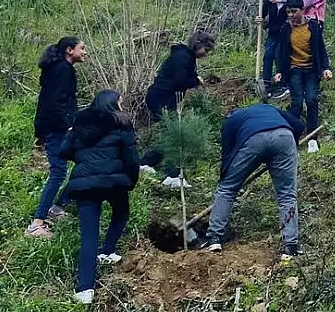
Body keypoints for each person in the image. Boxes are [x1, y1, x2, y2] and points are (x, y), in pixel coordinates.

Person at [58, 90, 140, 305]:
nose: (122, 106)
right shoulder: (122, 124)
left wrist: (71, 134)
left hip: (85, 186)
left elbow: (63, 152)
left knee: (88, 236)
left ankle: (85, 290)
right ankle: (108, 250)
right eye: (120, 103)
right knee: (121, 212)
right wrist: (130, 181)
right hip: (114, 182)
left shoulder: (80, 124)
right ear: (113, 105)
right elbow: (131, 159)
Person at [205, 103, 305, 260]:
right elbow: (298, 125)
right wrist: (288, 152)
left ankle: (214, 238)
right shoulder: (270, 108)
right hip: (285, 137)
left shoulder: (232, 121)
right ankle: (290, 246)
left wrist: (227, 177)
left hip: (253, 140)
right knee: (287, 195)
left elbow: (227, 154)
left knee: (227, 189)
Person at [27, 36, 88, 240]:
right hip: (57, 129)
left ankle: (57, 206)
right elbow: (55, 103)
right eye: (82, 48)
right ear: (70, 50)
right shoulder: (63, 70)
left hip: (54, 127)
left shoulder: (58, 69)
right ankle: (37, 223)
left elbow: (48, 101)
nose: (85, 52)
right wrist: (67, 125)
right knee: (58, 172)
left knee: (83, 163)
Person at [141, 31, 216, 188]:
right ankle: (172, 175)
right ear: (198, 44)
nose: (206, 54)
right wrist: (195, 80)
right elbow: (179, 81)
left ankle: (146, 163)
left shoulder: (186, 57)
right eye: (206, 50)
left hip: (163, 98)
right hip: (161, 98)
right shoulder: (183, 57)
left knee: (169, 132)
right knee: (173, 133)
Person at [274, 0, 332, 153]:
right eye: (288, 12)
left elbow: (321, 49)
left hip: (312, 69)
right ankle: (291, 137)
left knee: (312, 100)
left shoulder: (313, 26)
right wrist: (279, 70)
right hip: (294, 70)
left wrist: (325, 68)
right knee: (297, 103)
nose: (291, 15)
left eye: (294, 12)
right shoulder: (286, 29)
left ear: (302, 10)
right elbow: (281, 52)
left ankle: (312, 138)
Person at [258, 0, 291, 100]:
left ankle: (282, 84)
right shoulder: (267, 1)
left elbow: (298, 2)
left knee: (279, 56)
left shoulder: (288, 0)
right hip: (272, 33)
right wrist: (259, 19)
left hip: (285, 34)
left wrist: (281, 0)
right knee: (268, 55)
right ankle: (266, 83)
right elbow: (261, 15)